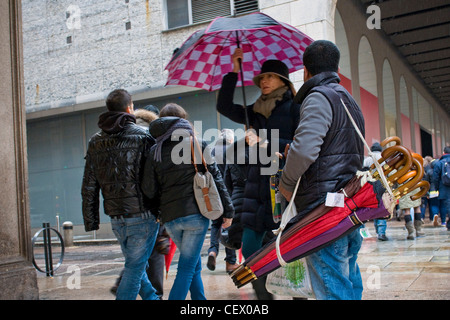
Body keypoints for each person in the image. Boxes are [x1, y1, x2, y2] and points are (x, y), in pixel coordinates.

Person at [279, 40, 365, 300]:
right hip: (349, 203)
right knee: (348, 280)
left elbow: (305, 151)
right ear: (336, 67)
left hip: (324, 209)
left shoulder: (318, 97)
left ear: (305, 71)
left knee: (331, 288)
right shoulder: (348, 99)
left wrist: (287, 181)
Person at [216, 50, 300, 299]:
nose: (264, 81)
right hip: (256, 184)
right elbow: (223, 106)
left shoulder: (294, 107)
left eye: (271, 77)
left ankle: (298, 292)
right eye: (262, 77)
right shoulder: (255, 110)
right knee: (251, 244)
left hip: (283, 184)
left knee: (292, 242)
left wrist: (263, 141)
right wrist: (233, 70)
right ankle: (264, 296)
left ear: (283, 81)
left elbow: (298, 144)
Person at [141, 103, 234, 300]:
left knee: (193, 264)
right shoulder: (198, 144)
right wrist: (229, 211)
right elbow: (216, 178)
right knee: (186, 267)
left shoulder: (155, 150)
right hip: (195, 216)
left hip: (170, 219)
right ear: (183, 120)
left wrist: (157, 212)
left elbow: (149, 189)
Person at [81, 89, 160, 300]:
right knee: (134, 270)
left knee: (135, 265)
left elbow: (89, 184)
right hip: (142, 215)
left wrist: (91, 220)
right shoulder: (144, 137)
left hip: (116, 217)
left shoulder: (95, 141)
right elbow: (155, 177)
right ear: (130, 108)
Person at [207, 129, 239, 273]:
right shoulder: (232, 151)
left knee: (216, 224)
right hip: (229, 194)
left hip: (214, 195)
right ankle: (230, 262)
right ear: (231, 139)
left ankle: (212, 251)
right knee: (228, 225)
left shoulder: (211, 151)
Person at [363, 142, 389, 241]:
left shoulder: (367, 159)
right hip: (382, 184)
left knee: (373, 206)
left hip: (370, 185)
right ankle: (381, 233)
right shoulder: (384, 159)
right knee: (382, 206)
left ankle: (376, 231)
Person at [432, 146, 450, 230]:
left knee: (448, 206)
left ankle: (447, 223)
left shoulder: (439, 163)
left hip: (444, 188)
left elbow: (435, 177)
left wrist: (437, 188)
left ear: (444, 152)